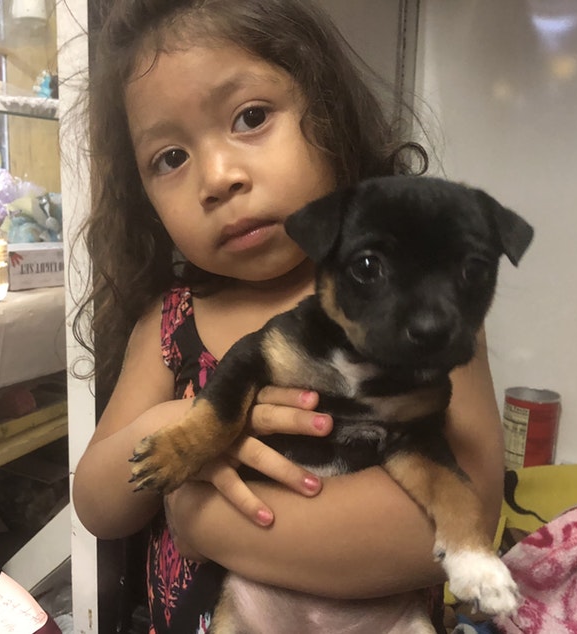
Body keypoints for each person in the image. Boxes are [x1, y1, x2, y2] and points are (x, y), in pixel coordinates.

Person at [71, 1, 506, 632]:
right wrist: (179, 423)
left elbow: (456, 524)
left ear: (328, 114)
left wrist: (200, 518)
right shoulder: (169, 324)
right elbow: (96, 502)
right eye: (170, 157)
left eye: (250, 118)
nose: (217, 179)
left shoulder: (416, 314)